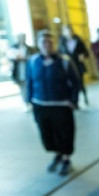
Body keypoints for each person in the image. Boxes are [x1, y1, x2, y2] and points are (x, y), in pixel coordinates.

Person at [26, 30, 81, 176]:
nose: (47, 45)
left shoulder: (64, 61)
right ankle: (57, 153)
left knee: (65, 134)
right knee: (47, 136)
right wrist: (29, 101)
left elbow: (76, 83)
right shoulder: (32, 61)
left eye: (50, 42)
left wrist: (73, 101)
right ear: (38, 44)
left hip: (61, 105)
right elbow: (29, 82)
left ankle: (66, 159)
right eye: (43, 42)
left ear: (55, 44)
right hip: (40, 105)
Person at [60, 25, 91, 107]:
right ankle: (75, 101)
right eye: (66, 31)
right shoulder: (62, 42)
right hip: (67, 67)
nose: (68, 33)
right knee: (70, 84)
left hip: (78, 65)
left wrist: (83, 55)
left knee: (79, 82)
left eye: (70, 31)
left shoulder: (78, 41)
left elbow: (86, 52)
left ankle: (84, 97)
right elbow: (59, 53)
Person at [9, 33, 37, 109]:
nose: (22, 39)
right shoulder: (13, 47)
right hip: (19, 71)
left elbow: (33, 58)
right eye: (20, 37)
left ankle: (30, 102)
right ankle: (26, 103)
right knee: (22, 88)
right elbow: (11, 57)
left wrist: (25, 58)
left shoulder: (30, 48)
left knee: (29, 87)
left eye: (23, 37)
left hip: (28, 71)